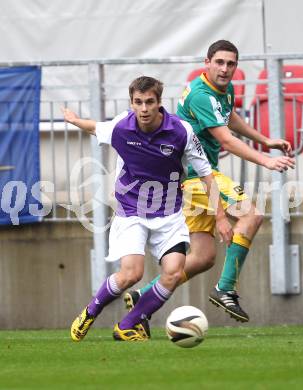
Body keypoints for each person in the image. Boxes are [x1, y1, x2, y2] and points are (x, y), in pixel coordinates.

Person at [124, 40, 295, 324]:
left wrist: (265, 140)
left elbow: (229, 118)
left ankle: (144, 296)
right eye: (219, 62)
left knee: (203, 257)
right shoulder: (202, 95)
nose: (225, 69)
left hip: (187, 178)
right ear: (207, 62)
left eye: (231, 64)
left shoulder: (219, 89)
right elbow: (226, 138)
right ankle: (225, 288)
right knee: (251, 216)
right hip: (196, 177)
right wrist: (266, 159)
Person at [64, 76, 233, 341]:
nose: (144, 109)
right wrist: (74, 120)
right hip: (132, 212)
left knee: (174, 272)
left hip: (169, 215)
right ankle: (91, 311)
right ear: (132, 103)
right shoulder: (122, 127)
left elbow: (206, 174)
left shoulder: (181, 131)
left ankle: (127, 325)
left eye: (149, 102)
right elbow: (97, 127)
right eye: (138, 102)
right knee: (132, 274)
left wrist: (220, 217)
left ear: (159, 103)